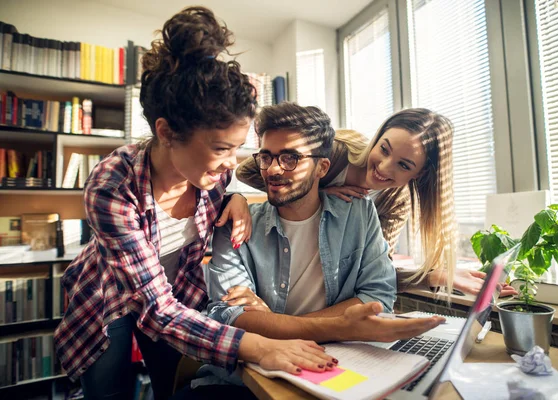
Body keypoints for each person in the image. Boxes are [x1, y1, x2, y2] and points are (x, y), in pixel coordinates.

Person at [54, 8, 334, 400]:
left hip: (176, 295)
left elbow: (291, 172)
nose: (231, 164)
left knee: (174, 386)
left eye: (237, 148)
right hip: (107, 303)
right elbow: (156, 308)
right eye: (222, 148)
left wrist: (236, 197)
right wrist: (260, 346)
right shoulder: (112, 185)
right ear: (166, 132)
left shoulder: (214, 174)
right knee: (108, 393)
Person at [207, 103, 445, 341]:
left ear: (322, 167)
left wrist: (277, 325)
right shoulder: (236, 224)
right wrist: (236, 196)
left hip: (337, 357)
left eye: (291, 158)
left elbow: (379, 287)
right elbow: (230, 315)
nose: (273, 169)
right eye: (266, 157)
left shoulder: (364, 212)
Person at [236, 109, 518, 298]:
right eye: (384, 149)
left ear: (419, 175)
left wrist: (436, 276)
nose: (383, 167)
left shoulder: (396, 203)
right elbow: (247, 170)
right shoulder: (338, 152)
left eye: (403, 165)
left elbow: (377, 274)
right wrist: (318, 190)